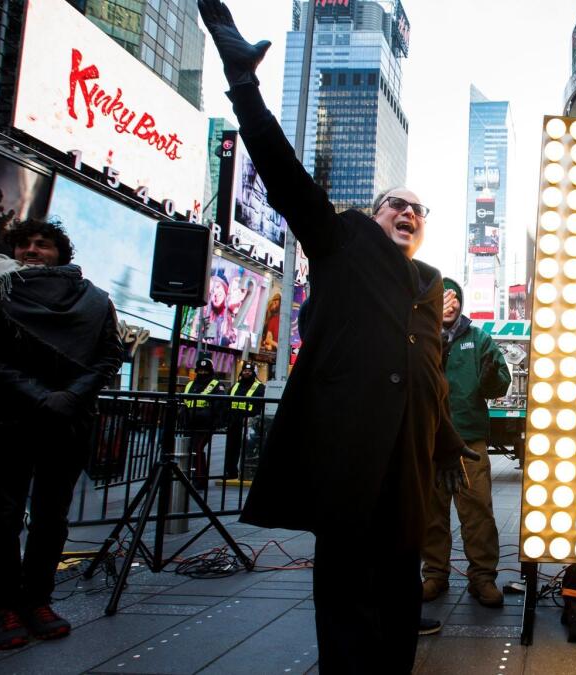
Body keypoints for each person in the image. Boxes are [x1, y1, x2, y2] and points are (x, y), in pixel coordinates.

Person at [199, 3, 470, 672]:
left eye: (417, 209)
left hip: (407, 462)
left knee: (401, 585)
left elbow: (427, 368)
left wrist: (444, 444)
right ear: (373, 215)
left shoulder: (430, 283)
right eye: (395, 204)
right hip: (350, 455)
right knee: (347, 587)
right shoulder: (343, 243)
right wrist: (244, 84)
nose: (406, 212)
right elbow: (285, 176)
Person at [0, 219, 122, 650]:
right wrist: (40, 397)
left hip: (68, 422)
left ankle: (38, 600)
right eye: (25, 244)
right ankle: (4, 606)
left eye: (43, 244)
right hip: (8, 421)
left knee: (52, 518)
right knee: (4, 516)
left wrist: (70, 397)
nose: (32, 250)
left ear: (61, 253)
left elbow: (109, 356)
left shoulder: (94, 300)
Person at [422, 278, 511, 608]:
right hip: (430, 441)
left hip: (469, 441)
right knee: (431, 512)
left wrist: (491, 377)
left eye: (455, 298)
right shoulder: (422, 338)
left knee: (478, 512)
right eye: (443, 299)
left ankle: (482, 578)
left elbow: (498, 386)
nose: (451, 304)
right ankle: (434, 575)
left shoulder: (479, 338)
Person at [180, 355, 226, 489]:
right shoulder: (190, 384)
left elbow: (220, 404)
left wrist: (216, 422)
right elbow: (183, 402)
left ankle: (200, 480)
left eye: (205, 371)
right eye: (200, 370)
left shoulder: (216, 384)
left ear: (210, 371)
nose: (202, 373)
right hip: (189, 422)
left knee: (197, 449)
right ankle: (194, 476)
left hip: (206, 424)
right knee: (190, 449)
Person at [223, 362, 265, 481]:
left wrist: (254, 418)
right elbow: (227, 402)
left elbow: (259, 405)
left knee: (248, 448)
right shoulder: (235, 386)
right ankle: (231, 472)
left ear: (253, 373)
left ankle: (246, 472)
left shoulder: (259, 387)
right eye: (245, 371)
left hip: (249, 421)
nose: (247, 373)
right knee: (232, 447)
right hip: (234, 420)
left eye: (249, 371)